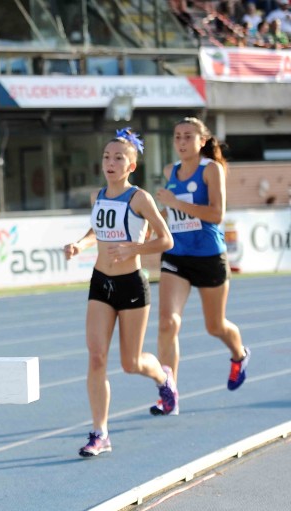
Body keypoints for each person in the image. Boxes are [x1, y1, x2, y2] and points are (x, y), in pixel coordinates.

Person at [64, 128, 177, 457]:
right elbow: (95, 231)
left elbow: (166, 239)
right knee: (97, 356)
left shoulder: (139, 198)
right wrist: (80, 244)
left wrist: (133, 249)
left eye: (118, 158)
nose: (110, 163)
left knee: (131, 363)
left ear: (131, 166)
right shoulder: (98, 196)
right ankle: (100, 432)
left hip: (131, 285)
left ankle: (163, 377)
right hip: (101, 282)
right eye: (106, 157)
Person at [151, 117, 250, 416]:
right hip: (177, 255)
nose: (181, 142)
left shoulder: (211, 169)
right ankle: (168, 392)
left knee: (215, 326)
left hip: (208, 256)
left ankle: (239, 354)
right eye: (177, 137)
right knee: (167, 323)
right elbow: (170, 211)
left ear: (202, 141)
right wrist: (152, 223)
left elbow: (217, 214)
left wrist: (174, 203)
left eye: (188, 136)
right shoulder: (170, 171)